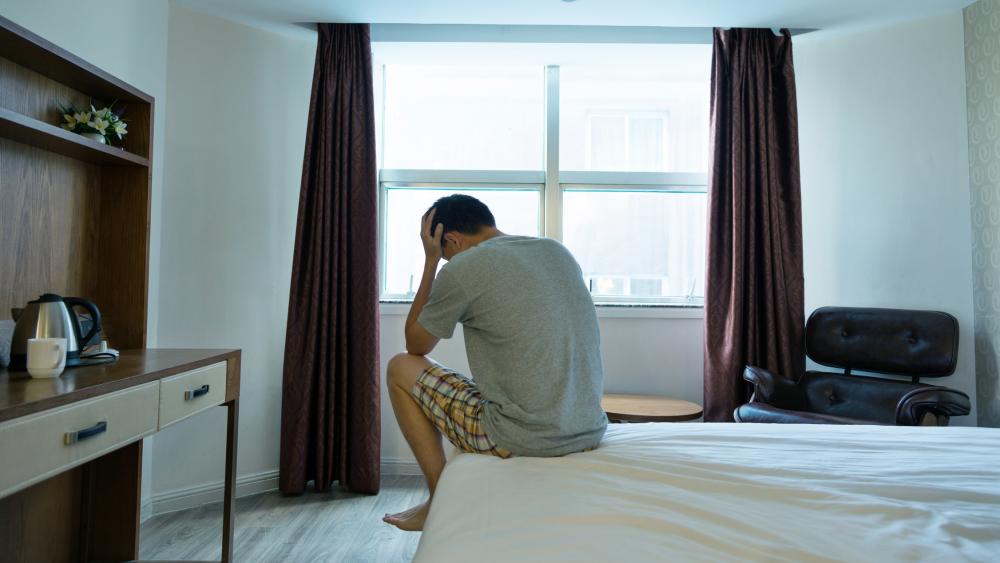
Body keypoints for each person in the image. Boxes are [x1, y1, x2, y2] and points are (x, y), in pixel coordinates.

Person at [382, 194, 607, 532]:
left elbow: (415, 344)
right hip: (587, 427)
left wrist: (430, 263)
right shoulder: (555, 251)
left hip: (519, 436)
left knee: (400, 367)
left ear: (453, 240)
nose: (445, 259)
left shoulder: (462, 269)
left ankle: (439, 502)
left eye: (444, 251)